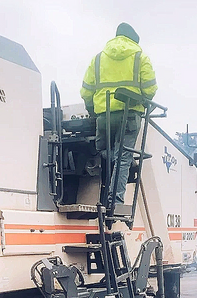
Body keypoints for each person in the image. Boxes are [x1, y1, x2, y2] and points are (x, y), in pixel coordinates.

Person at [80, 23, 157, 207]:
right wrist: (143, 102)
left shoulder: (97, 60)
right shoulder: (140, 57)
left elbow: (86, 92)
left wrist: (94, 111)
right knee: (124, 157)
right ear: (134, 40)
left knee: (104, 151)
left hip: (104, 117)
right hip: (129, 116)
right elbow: (150, 89)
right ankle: (115, 200)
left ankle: (104, 182)